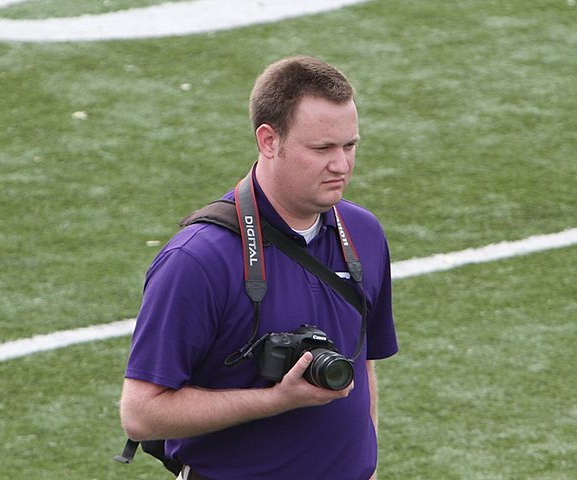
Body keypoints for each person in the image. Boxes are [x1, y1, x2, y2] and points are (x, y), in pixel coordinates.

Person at [119, 55, 398, 480]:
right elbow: (141, 414)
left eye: (350, 145)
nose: (341, 165)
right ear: (269, 141)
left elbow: (362, 365)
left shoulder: (363, 232)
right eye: (322, 148)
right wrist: (276, 399)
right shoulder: (198, 259)